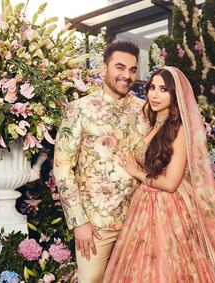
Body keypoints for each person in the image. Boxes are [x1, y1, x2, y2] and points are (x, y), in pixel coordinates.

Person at [103, 66, 215, 283]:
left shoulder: (180, 128)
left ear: (176, 94)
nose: (155, 94)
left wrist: (136, 172)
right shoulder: (154, 124)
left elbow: (172, 182)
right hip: (143, 204)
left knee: (167, 265)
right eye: (152, 87)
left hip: (168, 206)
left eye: (164, 89)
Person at [53, 41, 148, 283]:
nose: (126, 75)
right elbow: (63, 167)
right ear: (103, 68)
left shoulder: (145, 110)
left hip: (140, 221)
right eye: (120, 67)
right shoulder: (79, 109)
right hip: (95, 224)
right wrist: (78, 221)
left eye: (132, 69)